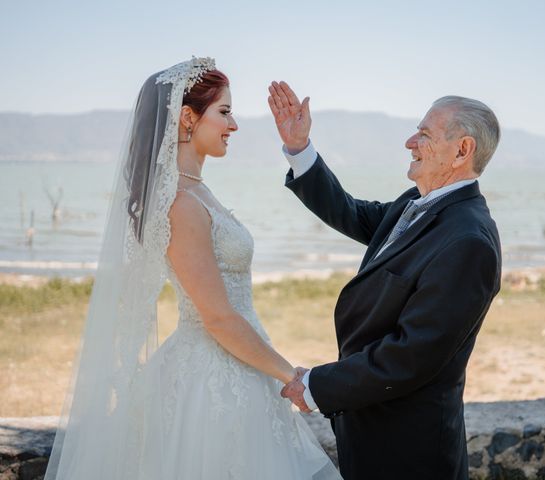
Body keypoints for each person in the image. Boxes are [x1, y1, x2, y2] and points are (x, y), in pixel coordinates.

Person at [44, 58, 341, 480]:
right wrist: (292, 375)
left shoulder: (197, 190)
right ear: (187, 117)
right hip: (211, 380)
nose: (234, 125)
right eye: (224, 112)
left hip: (243, 363)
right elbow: (217, 317)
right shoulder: (182, 204)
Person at [270, 81, 502, 479]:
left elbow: (411, 355)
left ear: (462, 150)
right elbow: (351, 213)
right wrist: (299, 148)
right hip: (370, 432)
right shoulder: (415, 203)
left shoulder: (468, 241)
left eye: (424, 135)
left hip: (409, 452)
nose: (410, 141)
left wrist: (317, 386)